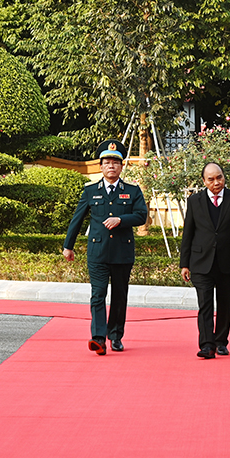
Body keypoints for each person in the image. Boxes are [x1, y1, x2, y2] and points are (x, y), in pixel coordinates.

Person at [63, 139, 147, 356]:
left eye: (116, 162)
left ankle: (116, 335)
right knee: (98, 295)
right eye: (107, 162)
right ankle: (98, 338)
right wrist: (68, 246)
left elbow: (141, 216)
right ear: (100, 166)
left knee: (119, 296)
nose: (111, 166)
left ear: (121, 166)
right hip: (97, 252)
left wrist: (121, 219)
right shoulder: (91, 191)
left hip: (122, 252)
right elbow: (78, 218)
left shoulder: (132, 190)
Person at [180, 162, 230, 359]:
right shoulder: (194, 201)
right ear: (204, 181)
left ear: (224, 177)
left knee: (225, 303)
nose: (216, 182)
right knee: (205, 304)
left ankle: (221, 341)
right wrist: (184, 264)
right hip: (201, 261)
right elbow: (188, 233)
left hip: (228, 261)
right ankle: (206, 344)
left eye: (219, 177)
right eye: (211, 179)